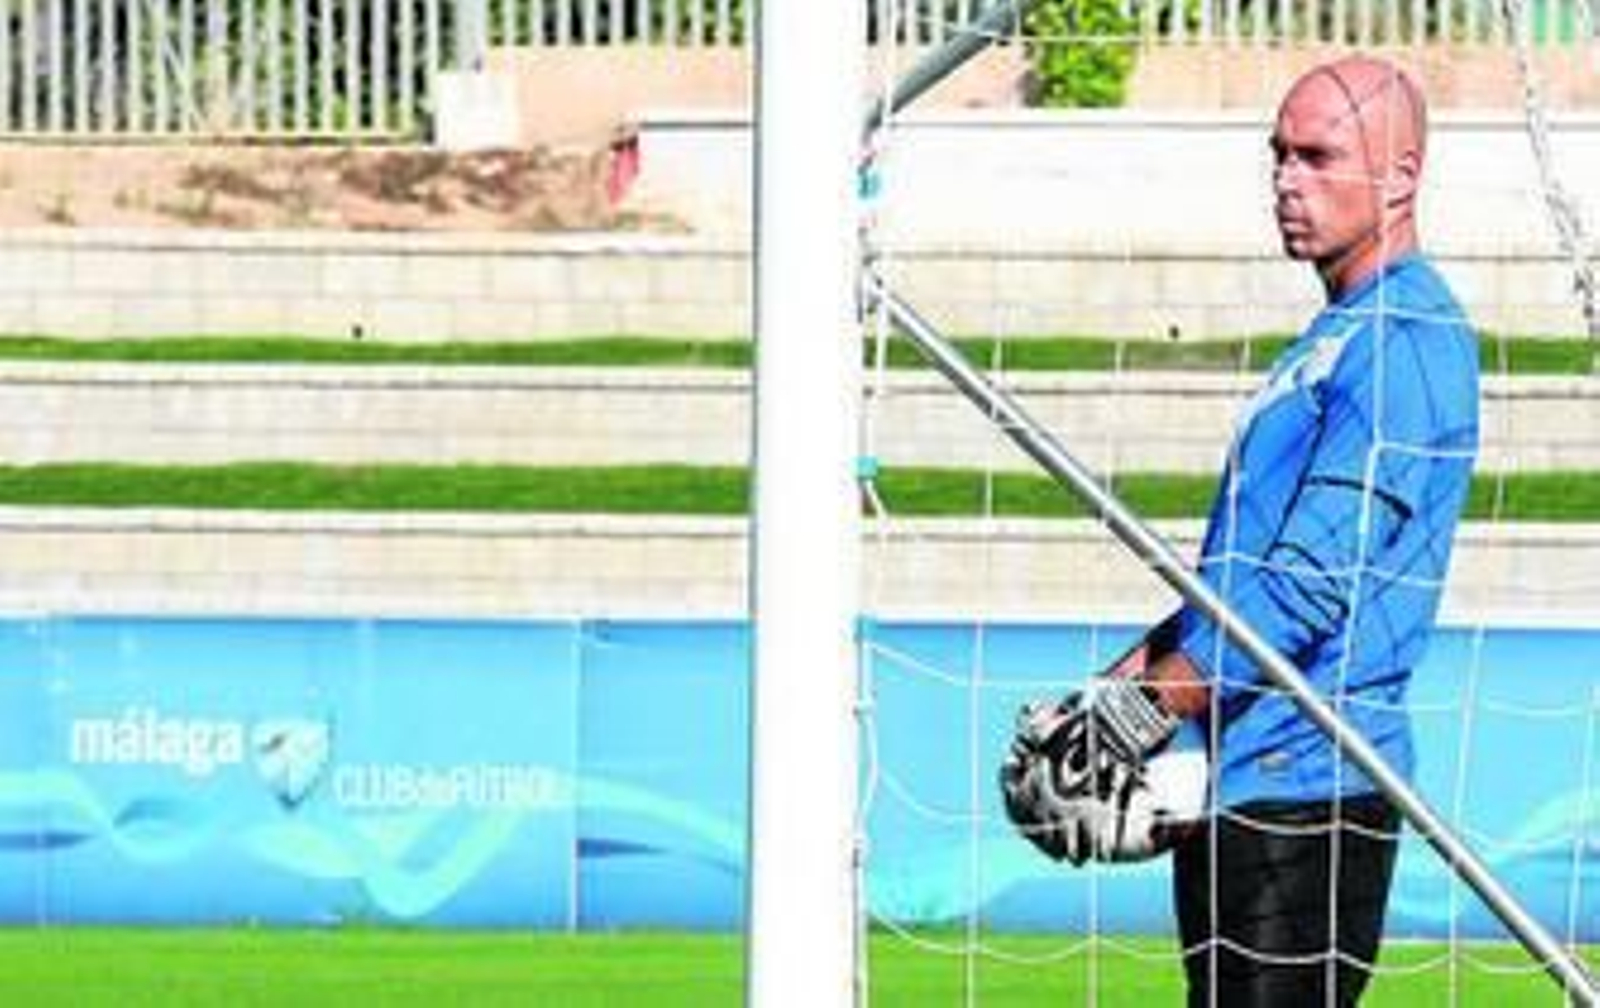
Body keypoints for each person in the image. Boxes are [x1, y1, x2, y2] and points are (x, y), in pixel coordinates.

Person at [1113, 55, 1478, 1005]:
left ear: (1401, 175)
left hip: (1314, 786)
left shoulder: (1411, 340)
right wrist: (1110, 692)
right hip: (1243, 779)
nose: (1285, 180)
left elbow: (1308, 587)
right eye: (1277, 155)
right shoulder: (1333, 338)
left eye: (1318, 157)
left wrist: (1143, 712)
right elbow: (1238, 576)